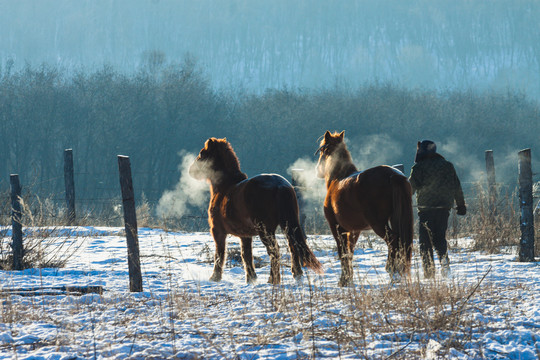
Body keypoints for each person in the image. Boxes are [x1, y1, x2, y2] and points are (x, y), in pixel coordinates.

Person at [409, 140, 466, 278]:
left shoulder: (419, 168)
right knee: (440, 238)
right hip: (443, 208)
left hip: (426, 209)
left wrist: (401, 200)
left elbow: (410, 188)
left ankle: (429, 273)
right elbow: (456, 186)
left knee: (425, 241)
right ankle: (444, 262)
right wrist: (461, 205)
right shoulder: (447, 166)